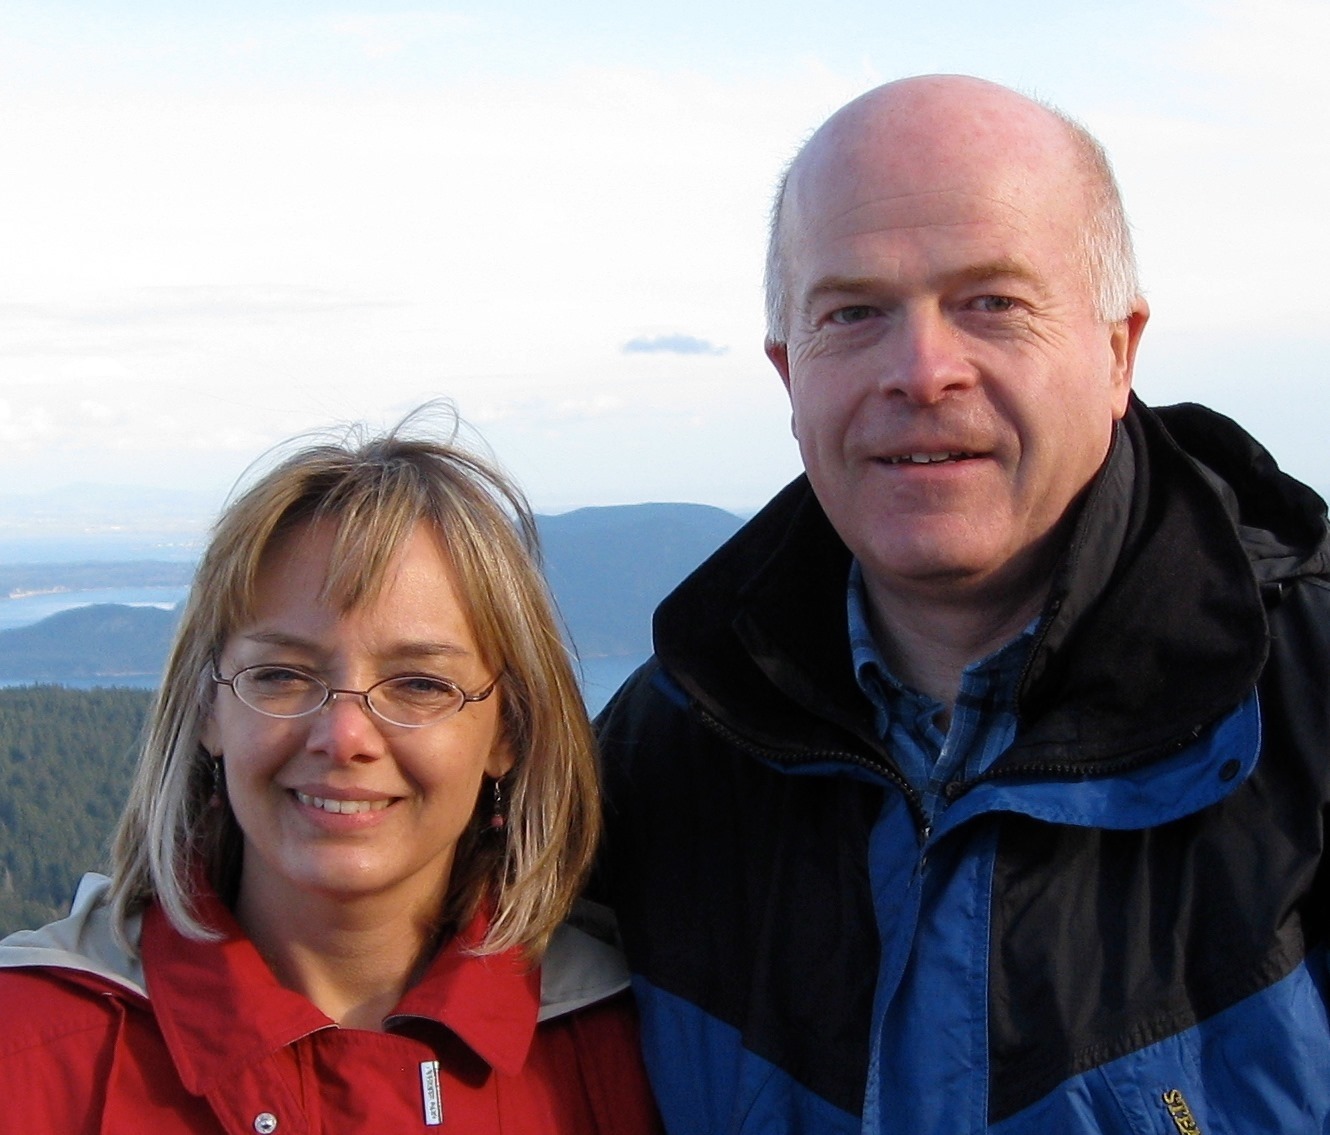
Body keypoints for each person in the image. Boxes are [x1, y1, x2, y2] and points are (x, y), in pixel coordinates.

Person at [595, 74, 1330, 1134]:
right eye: (854, 312)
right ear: (789, 374)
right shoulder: (665, 748)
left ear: (1117, 350)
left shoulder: (1302, 706)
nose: (922, 370)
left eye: (991, 302)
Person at [0, 416, 662, 1133]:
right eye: (282, 675)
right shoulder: (30, 1047)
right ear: (208, 709)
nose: (344, 737)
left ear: (508, 731)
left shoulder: (639, 1050)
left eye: (420, 684)